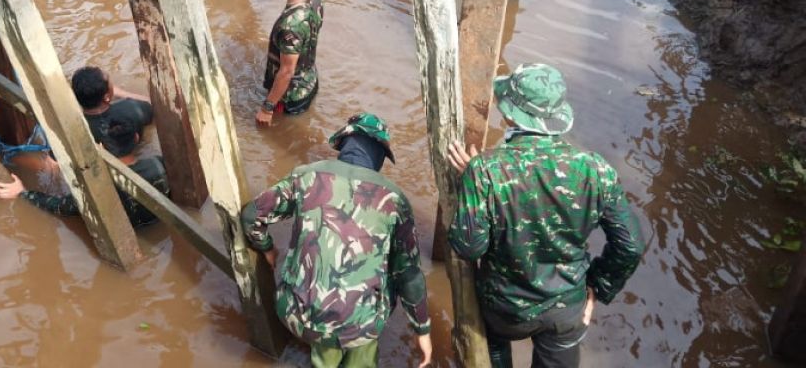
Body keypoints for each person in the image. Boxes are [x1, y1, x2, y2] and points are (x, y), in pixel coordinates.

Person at [446, 64, 646, 368]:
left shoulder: (486, 170)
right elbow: (630, 245)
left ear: (511, 115)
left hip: (504, 309)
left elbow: (468, 246)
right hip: (567, 310)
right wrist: (597, 286)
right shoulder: (596, 170)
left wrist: (474, 187)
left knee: (495, 349)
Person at [241, 113, 432, 367]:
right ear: (379, 156)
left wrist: (267, 249)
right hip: (359, 326)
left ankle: (324, 356)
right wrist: (423, 330)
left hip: (298, 315)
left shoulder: (305, 177)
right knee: (392, 270)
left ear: (344, 143)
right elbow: (409, 275)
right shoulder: (395, 200)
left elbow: (252, 215)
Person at [0, 66, 167, 226]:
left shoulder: (95, 191)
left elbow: (57, 205)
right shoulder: (160, 165)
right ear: (136, 138)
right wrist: (121, 93)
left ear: (101, 148)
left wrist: (22, 191)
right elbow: (156, 108)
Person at [256, 0, 324, 126]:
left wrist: (267, 108)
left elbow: (287, 72)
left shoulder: (290, 26)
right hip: (310, 80)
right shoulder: (316, 2)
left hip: (291, 98)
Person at [70, 66, 153, 157]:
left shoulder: (78, 129)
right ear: (106, 96)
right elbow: (152, 105)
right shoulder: (132, 108)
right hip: (136, 153)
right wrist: (122, 93)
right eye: (111, 84)